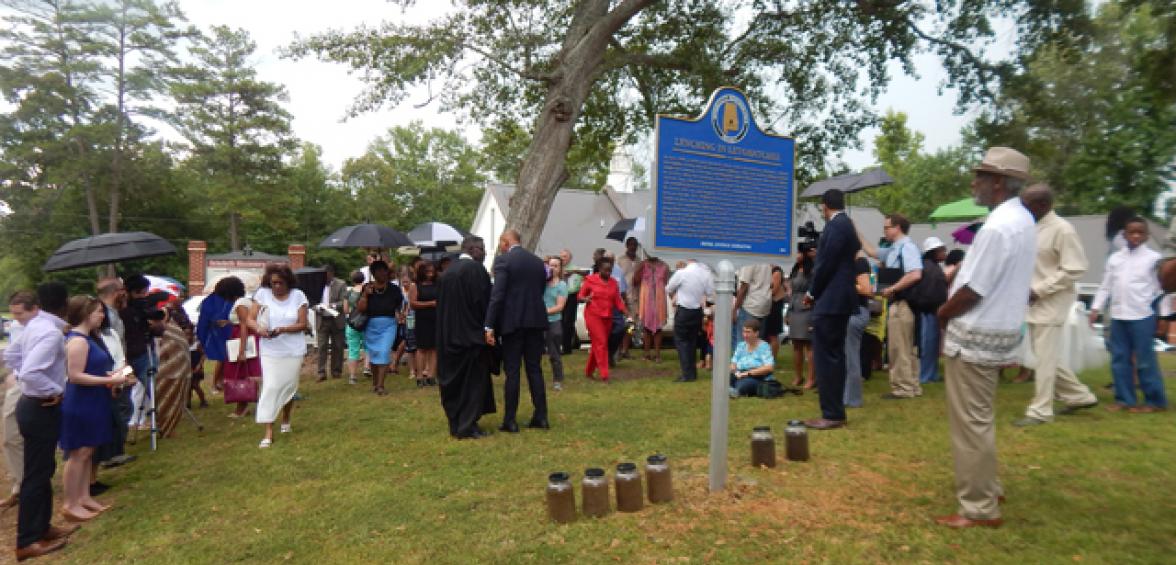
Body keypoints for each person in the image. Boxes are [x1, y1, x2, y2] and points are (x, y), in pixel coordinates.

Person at [935, 146, 1038, 529]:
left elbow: (973, 288)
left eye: (980, 176)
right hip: (997, 332)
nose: (973, 182)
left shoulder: (997, 226)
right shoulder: (1022, 219)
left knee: (971, 423)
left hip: (977, 333)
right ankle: (988, 488)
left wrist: (943, 313)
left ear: (997, 183)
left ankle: (978, 507)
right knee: (980, 417)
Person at [1012, 185, 1098, 426]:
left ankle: (1040, 411)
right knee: (1043, 356)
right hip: (1032, 302)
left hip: (1052, 302)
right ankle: (1079, 395)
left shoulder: (1063, 229)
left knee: (1045, 358)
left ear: (1042, 205)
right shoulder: (1030, 228)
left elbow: (1075, 268)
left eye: (1026, 204)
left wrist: (1040, 289)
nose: (1022, 209)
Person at [5, 284, 79, 560]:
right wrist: (56, 391)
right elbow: (31, 372)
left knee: (43, 469)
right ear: (64, 304)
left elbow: (11, 357)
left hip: (34, 405)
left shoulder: (35, 328)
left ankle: (42, 526)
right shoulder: (47, 333)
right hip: (40, 407)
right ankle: (27, 540)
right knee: (36, 474)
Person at [60, 296, 129, 522]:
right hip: (81, 401)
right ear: (85, 314)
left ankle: (84, 496)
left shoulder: (89, 338)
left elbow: (91, 369)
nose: (102, 316)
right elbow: (75, 375)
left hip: (93, 399)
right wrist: (108, 381)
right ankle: (70, 503)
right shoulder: (78, 341)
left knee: (87, 452)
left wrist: (110, 376)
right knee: (78, 453)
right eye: (98, 312)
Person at [1090, 216, 1168, 413]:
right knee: (1119, 358)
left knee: (1144, 360)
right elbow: (1106, 286)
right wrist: (1095, 308)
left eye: (1140, 232)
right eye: (1131, 232)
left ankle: (1155, 401)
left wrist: (1163, 318)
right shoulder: (1115, 259)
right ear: (1124, 234)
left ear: (1147, 235)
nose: (1135, 236)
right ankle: (1125, 399)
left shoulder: (1153, 259)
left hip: (1143, 315)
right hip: (1118, 315)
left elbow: (1162, 291)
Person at [801, 189, 861, 430]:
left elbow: (826, 264)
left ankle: (832, 413)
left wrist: (811, 292)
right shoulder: (847, 225)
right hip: (840, 299)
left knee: (826, 357)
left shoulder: (836, 227)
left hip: (831, 300)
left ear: (824, 206)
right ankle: (835, 410)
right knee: (834, 355)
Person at [484, 229, 549, 432]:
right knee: (534, 369)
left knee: (512, 371)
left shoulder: (504, 262)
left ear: (506, 241)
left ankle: (510, 420)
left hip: (513, 322)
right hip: (535, 320)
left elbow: (498, 295)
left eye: (501, 243)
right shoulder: (538, 263)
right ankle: (541, 415)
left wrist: (489, 325)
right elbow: (540, 290)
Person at [437, 236, 497, 439]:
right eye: (483, 249)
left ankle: (456, 423)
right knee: (473, 383)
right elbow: (484, 303)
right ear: (473, 249)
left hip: (448, 337)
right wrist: (489, 329)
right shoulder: (475, 271)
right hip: (470, 337)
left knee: (455, 383)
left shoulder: (447, 273)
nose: (485, 253)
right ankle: (468, 425)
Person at [861, 213, 923, 399]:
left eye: (887, 227)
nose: (884, 231)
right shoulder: (894, 249)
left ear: (897, 228)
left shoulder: (907, 248)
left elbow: (915, 274)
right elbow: (872, 252)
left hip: (902, 303)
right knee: (906, 347)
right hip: (899, 304)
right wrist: (856, 232)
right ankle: (912, 385)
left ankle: (903, 388)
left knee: (899, 347)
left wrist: (893, 288)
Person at [250, 264, 309, 448]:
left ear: (288, 282)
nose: (276, 286)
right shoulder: (262, 294)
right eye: (273, 282)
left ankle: (286, 418)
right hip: (270, 350)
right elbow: (249, 319)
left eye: (280, 283)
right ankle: (268, 431)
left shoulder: (298, 296)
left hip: (292, 349)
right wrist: (258, 328)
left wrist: (283, 329)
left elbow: (302, 324)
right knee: (271, 386)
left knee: (289, 387)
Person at [356, 260, 402, 396]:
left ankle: (381, 385)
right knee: (374, 354)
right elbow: (360, 308)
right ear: (373, 273)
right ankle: (375, 383)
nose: (382, 273)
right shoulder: (367, 288)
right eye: (379, 271)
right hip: (371, 325)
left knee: (383, 352)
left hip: (388, 325)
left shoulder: (394, 289)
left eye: (384, 270)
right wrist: (366, 295)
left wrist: (401, 314)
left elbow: (400, 305)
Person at [578, 256, 628, 382]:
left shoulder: (613, 283)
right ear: (599, 269)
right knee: (601, 343)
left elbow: (617, 300)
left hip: (607, 317)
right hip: (593, 315)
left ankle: (589, 371)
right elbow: (580, 296)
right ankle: (604, 374)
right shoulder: (590, 280)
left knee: (598, 344)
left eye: (610, 271)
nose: (608, 273)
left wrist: (626, 312)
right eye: (605, 270)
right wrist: (585, 299)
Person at [666, 258, 714, 383]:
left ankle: (687, 373)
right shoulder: (705, 273)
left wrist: (674, 298)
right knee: (692, 342)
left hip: (684, 310)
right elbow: (710, 293)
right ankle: (692, 372)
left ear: (689, 260)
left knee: (681, 342)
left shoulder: (682, 272)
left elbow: (669, 288)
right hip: (697, 311)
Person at [222, 277, 258, 419]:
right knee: (245, 373)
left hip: (241, 340)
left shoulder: (240, 303)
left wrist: (242, 350)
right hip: (240, 338)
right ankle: (247, 405)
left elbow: (244, 325)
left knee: (240, 374)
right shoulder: (246, 302)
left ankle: (241, 408)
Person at [155, 306, 193, 438]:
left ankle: (168, 428)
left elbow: (179, 347)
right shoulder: (159, 331)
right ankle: (162, 426)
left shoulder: (172, 329)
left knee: (173, 400)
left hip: (176, 371)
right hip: (163, 372)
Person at [917, 237, 949, 384]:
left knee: (932, 345)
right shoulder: (930, 269)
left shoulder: (930, 267)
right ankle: (925, 375)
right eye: (942, 250)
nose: (945, 252)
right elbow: (930, 293)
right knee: (928, 345)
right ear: (934, 252)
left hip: (931, 311)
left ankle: (932, 374)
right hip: (929, 312)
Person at [844, 252, 873, 408]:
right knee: (845, 357)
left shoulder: (860, 263)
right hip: (846, 313)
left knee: (851, 357)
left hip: (856, 312)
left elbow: (866, 289)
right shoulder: (844, 264)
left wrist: (844, 284)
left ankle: (852, 399)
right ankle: (846, 396)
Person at [787, 247, 817, 388]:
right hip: (794, 308)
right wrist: (788, 312)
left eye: (799, 252)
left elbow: (815, 291)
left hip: (807, 308)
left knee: (809, 345)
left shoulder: (811, 270)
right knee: (796, 345)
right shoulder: (794, 269)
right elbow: (791, 291)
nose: (797, 255)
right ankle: (798, 376)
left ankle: (811, 378)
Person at [632, 255, 669, 362]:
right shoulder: (643, 265)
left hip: (659, 300)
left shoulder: (664, 265)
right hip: (646, 300)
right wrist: (639, 268)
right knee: (646, 328)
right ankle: (646, 353)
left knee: (658, 328)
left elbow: (666, 282)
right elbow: (635, 282)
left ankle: (657, 354)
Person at [315, 264, 348, 382]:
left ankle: (336, 371)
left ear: (331, 274)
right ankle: (321, 372)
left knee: (338, 346)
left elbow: (344, 301)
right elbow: (312, 300)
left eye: (326, 275)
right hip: (322, 319)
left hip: (336, 319)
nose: (324, 278)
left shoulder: (341, 284)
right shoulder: (317, 284)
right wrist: (317, 307)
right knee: (322, 346)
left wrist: (331, 306)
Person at [409, 261, 439, 387]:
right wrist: (430, 304)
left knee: (434, 348)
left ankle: (431, 376)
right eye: (427, 271)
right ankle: (420, 376)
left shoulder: (438, 284)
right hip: (422, 319)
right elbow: (413, 303)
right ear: (422, 272)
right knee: (421, 348)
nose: (430, 273)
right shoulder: (415, 286)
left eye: (432, 271)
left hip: (436, 319)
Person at [728, 319, 776, 398]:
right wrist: (733, 368)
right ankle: (732, 389)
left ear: (756, 333)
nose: (745, 335)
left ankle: (735, 389)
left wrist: (747, 373)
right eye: (744, 332)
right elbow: (734, 362)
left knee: (744, 385)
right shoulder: (741, 345)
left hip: (755, 376)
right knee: (724, 377)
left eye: (748, 332)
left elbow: (769, 367)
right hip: (739, 374)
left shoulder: (764, 346)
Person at [732, 263, 773, 350]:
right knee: (757, 345)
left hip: (750, 305)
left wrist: (735, 309)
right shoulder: (766, 261)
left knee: (743, 344)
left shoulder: (749, 262)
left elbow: (744, 286)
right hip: (764, 304)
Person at [543, 256, 568, 391]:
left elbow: (559, 306)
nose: (552, 268)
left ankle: (558, 380)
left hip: (553, 322)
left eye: (555, 266)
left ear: (560, 269)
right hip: (539, 322)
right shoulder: (542, 282)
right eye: (550, 265)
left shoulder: (562, 285)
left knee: (554, 354)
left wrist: (543, 312)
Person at [616, 237, 641, 359]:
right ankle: (619, 349)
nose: (633, 247)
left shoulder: (639, 261)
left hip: (635, 298)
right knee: (621, 325)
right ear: (627, 245)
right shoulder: (620, 260)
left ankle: (625, 349)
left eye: (635, 245)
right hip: (621, 297)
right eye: (631, 244)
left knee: (631, 325)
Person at [343, 270, 366, 385]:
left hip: (352, 324)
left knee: (353, 350)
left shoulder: (349, 293)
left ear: (352, 280)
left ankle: (352, 376)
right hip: (366, 323)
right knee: (368, 347)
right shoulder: (367, 291)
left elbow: (346, 310)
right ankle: (367, 368)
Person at [559, 249, 583, 355]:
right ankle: (561, 345)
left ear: (569, 258)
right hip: (560, 297)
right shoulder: (558, 268)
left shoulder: (575, 269)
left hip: (571, 296)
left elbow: (579, 283)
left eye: (564, 257)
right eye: (561, 257)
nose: (562, 259)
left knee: (568, 322)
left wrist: (573, 273)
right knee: (560, 322)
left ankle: (567, 347)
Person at [765, 265, 787, 359]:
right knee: (767, 334)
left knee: (773, 334)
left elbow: (774, 290)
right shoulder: (768, 271)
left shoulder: (776, 271)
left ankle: (772, 359)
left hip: (774, 305)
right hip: (768, 304)